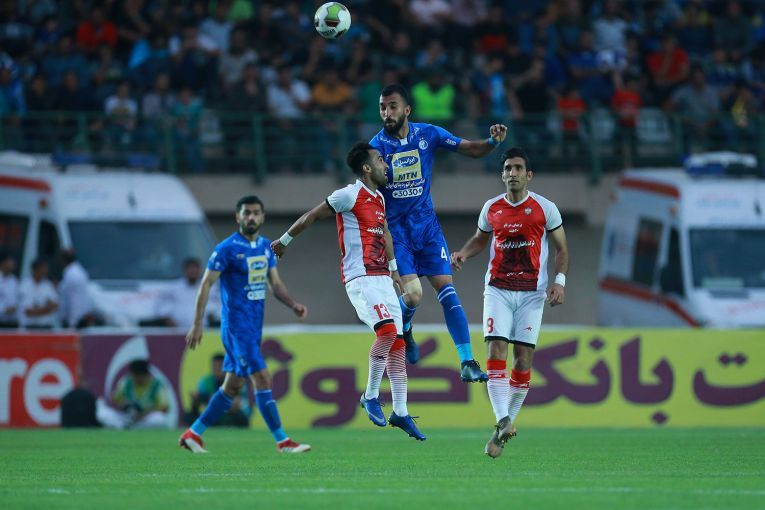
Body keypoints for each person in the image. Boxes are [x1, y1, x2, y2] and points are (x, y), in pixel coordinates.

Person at [271, 142, 426, 441]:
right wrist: (284, 240)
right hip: (360, 278)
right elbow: (312, 215)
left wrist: (394, 270)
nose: (386, 165)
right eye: (380, 160)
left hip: (382, 278)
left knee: (397, 344)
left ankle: (401, 412)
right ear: (366, 168)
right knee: (386, 333)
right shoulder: (348, 195)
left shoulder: (379, 198)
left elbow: (386, 233)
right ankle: (370, 396)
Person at [370, 83, 508, 382]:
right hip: (397, 234)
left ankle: (467, 361)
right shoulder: (375, 148)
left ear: (407, 110)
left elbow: (471, 149)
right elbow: (367, 195)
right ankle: (406, 329)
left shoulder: (428, 134)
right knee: (413, 297)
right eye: (382, 107)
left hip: (428, 229)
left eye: (392, 106)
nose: (387, 112)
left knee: (447, 290)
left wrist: (492, 142)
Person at [450, 147, 569, 459]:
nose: (512, 173)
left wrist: (559, 281)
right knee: (495, 351)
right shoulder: (492, 208)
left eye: (517, 168)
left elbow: (561, 248)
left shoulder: (546, 208)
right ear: (502, 175)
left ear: (529, 175)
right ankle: (503, 419)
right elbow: (480, 238)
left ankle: (502, 429)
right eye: (507, 169)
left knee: (522, 361)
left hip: (532, 293)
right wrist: (463, 253)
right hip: (498, 290)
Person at [179, 195, 310, 454]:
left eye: (255, 213)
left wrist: (292, 304)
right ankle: (283, 441)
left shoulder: (265, 247)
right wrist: (197, 323)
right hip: (236, 327)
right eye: (246, 213)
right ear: (237, 217)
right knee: (262, 377)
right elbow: (205, 284)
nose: (251, 217)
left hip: (253, 327)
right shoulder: (226, 249)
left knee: (232, 386)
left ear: (263, 217)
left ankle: (193, 434)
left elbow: (275, 284)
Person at [97, 359, 172, 429]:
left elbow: (164, 408)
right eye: (134, 376)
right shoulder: (126, 382)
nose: (136, 379)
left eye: (138, 376)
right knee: (102, 413)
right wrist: (123, 405)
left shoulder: (157, 385)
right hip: (126, 417)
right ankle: (124, 426)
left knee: (159, 419)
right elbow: (114, 400)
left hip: (144, 419)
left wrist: (143, 414)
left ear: (146, 374)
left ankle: (129, 428)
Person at [188, 353, 251, 427]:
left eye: (220, 366)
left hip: (234, 416)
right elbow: (199, 399)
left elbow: (237, 404)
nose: (217, 369)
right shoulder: (205, 381)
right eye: (214, 367)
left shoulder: (235, 379)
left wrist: (206, 398)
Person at [156, 258, 220, 328]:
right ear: (185, 270)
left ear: (200, 270)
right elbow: (161, 306)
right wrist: (167, 319)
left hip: (202, 329)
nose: (193, 271)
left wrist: (211, 315)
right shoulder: (173, 288)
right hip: (178, 329)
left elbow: (216, 306)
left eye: (196, 268)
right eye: (191, 269)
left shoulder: (209, 288)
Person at [59, 249, 100, 328]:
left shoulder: (72, 275)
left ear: (63, 260)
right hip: (79, 317)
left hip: (76, 320)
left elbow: (74, 300)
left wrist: (72, 322)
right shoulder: (78, 271)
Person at [18, 258, 58, 329]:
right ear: (35, 269)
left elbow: (55, 305)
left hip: (45, 327)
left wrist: (38, 310)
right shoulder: (24, 285)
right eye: (43, 268)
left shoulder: (48, 285)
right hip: (29, 327)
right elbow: (28, 311)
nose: (45, 271)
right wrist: (47, 309)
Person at [0, 253, 19, 328]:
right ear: (2, 263)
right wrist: (4, 310)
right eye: (9, 262)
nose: (12, 264)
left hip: (11, 322)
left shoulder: (15, 281)